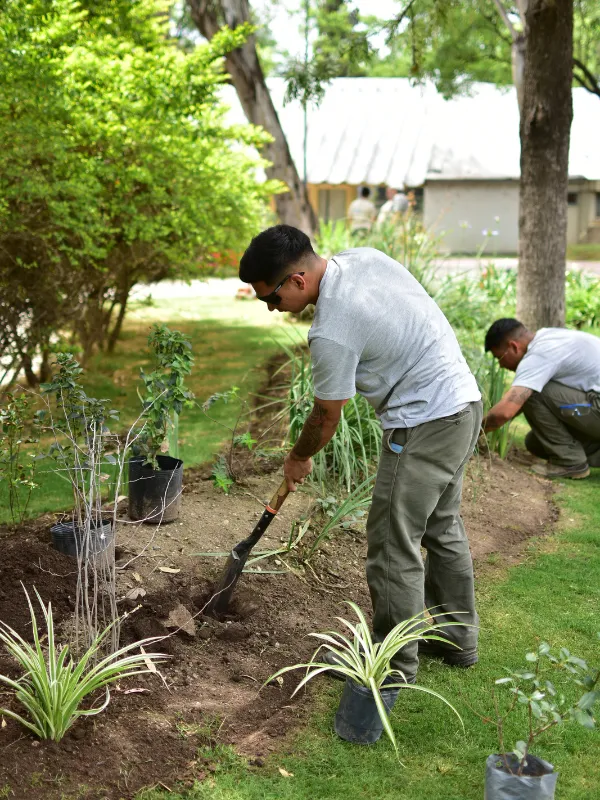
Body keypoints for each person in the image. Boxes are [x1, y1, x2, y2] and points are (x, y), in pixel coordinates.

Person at [239, 225, 482, 683]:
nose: (272, 308)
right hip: (462, 403)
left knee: (393, 540)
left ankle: (391, 662)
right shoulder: (364, 259)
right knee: (441, 527)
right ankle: (457, 640)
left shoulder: (331, 328)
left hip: (424, 422)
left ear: (296, 281)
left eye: (270, 298)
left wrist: (297, 457)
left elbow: (326, 415)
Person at [483, 318, 600, 479]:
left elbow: (505, 412)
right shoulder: (548, 337)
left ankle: (571, 463)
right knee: (535, 443)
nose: (501, 365)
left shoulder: (538, 355)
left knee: (534, 394)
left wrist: (474, 433)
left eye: (500, 358)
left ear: (513, 346)